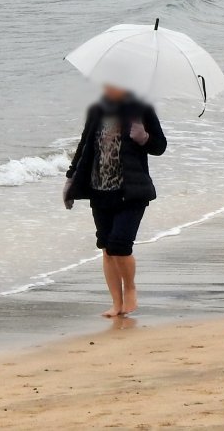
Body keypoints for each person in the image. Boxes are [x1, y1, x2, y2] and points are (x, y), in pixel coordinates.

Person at [63, 86, 166, 318]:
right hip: (99, 189)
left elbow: (160, 146)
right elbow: (84, 147)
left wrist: (145, 138)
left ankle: (130, 289)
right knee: (107, 248)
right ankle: (116, 304)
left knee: (120, 244)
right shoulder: (97, 110)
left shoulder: (141, 110)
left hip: (130, 191)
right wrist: (70, 179)